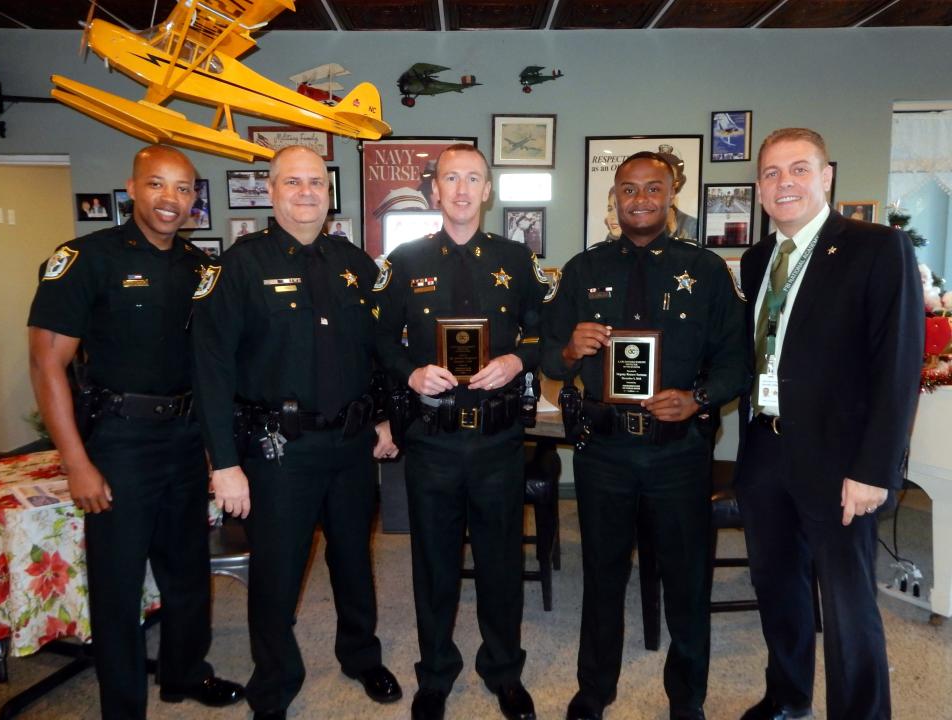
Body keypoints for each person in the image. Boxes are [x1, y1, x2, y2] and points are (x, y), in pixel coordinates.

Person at [27, 144, 244, 719]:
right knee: (118, 586)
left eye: (182, 188)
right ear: (131, 188)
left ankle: (184, 674)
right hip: (118, 442)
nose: (169, 199)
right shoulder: (85, 258)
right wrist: (76, 461)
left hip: (184, 438)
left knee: (189, 572)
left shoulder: (200, 268)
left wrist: (210, 445)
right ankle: (122, 707)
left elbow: (211, 361)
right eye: (157, 185)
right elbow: (46, 363)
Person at [192, 145, 402, 720]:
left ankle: (360, 655)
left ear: (329, 193)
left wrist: (382, 416)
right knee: (277, 572)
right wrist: (224, 463)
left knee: (354, 560)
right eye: (293, 182)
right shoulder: (239, 266)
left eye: (316, 182)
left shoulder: (354, 263)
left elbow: (376, 353)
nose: (306, 192)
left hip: (352, 445)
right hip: (277, 451)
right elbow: (210, 369)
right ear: (271, 190)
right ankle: (276, 680)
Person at [541, 152, 748, 720]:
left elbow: (736, 361)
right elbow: (547, 354)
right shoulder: (582, 270)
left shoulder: (705, 271)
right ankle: (595, 688)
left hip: (678, 451)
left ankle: (687, 697)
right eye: (629, 189)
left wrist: (699, 399)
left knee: (686, 579)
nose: (640, 200)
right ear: (615, 195)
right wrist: (567, 350)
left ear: (671, 192)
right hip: (603, 449)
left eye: (652, 189)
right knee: (603, 573)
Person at [735, 128, 923, 720]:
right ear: (760, 188)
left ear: (826, 177)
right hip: (765, 451)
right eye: (771, 173)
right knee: (779, 589)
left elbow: (895, 368)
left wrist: (874, 469)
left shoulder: (876, 248)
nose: (783, 183)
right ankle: (788, 699)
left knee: (847, 605)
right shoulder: (759, 257)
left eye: (798, 169)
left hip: (843, 463)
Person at [374, 144, 550, 720]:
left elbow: (544, 331)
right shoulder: (404, 260)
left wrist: (519, 361)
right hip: (434, 440)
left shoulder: (516, 259)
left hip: (498, 441)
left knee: (501, 562)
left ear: (487, 190)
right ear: (435, 191)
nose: (463, 189)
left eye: (474, 178)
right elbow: (377, 340)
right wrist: (411, 371)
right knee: (434, 564)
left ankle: (503, 671)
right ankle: (435, 674)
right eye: (451, 178)